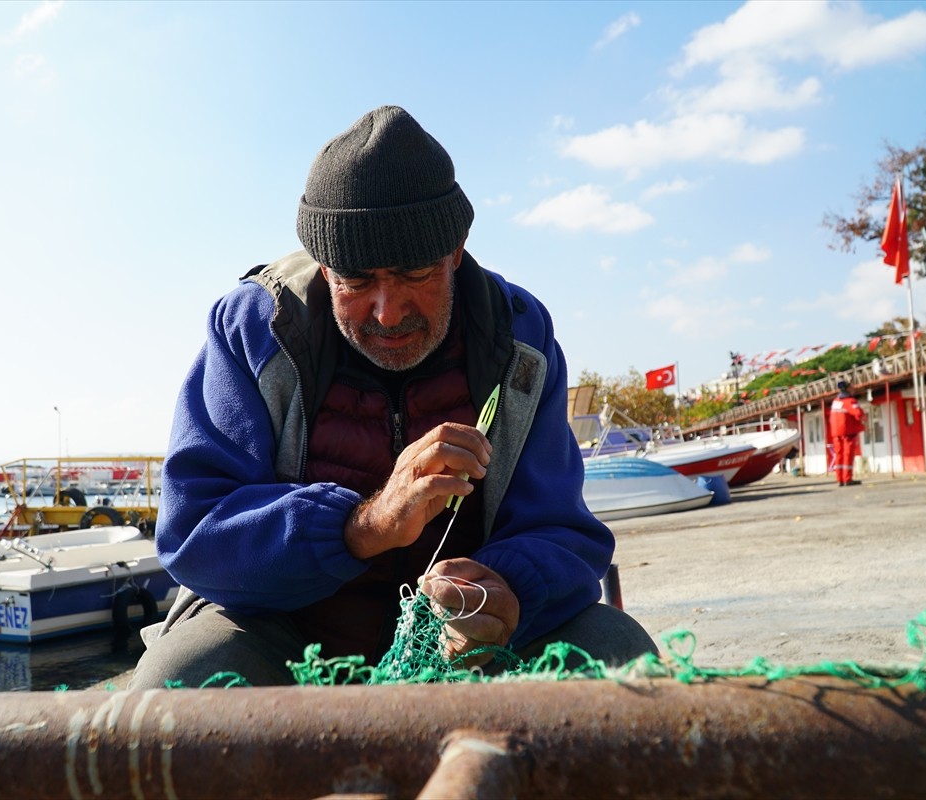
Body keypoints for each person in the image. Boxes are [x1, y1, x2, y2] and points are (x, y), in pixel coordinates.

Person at [131, 105, 657, 688]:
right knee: (177, 681)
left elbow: (563, 529)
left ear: (455, 251)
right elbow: (195, 533)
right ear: (325, 269)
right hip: (278, 633)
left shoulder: (521, 341)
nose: (388, 311)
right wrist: (364, 525)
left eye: (415, 274)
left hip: (469, 650)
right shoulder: (255, 329)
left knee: (617, 650)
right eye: (355, 281)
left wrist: (507, 592)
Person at [829, 380, 866, 486]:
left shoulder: (835, 401)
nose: (853, 388)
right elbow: (858, 413)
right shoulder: (850, 401)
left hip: (836, 432)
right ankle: (847, 479)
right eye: (851, 386)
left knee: (839, 455)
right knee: (848, 455)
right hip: (848, 432)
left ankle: (840, 479)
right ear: (848, 389)